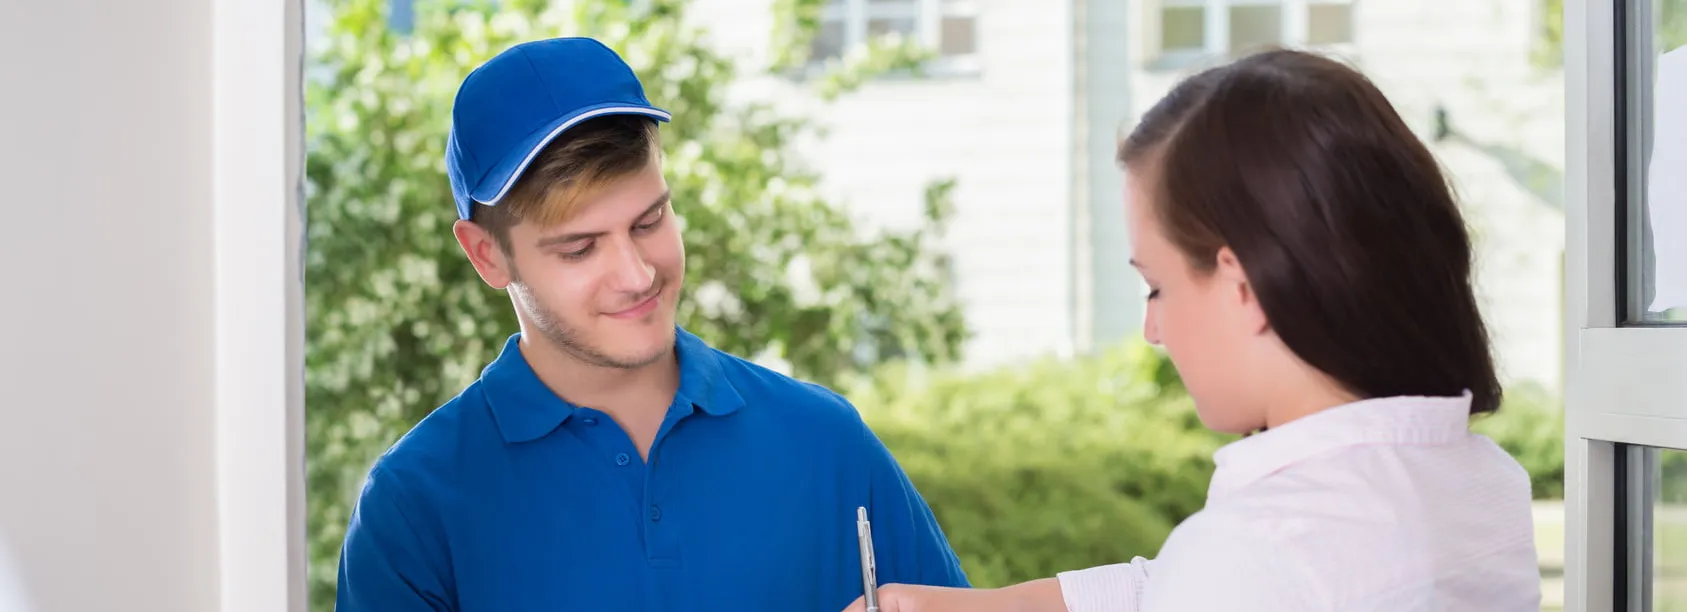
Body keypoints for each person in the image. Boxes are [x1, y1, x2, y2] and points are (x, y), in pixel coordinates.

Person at [842, 48, 1542, 612]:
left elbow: (1227, 578)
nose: (1152, 328)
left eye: (1157, 286)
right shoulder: (1481, 485)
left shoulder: (1254, 551)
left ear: (1241, 285)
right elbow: (1181, 588)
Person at [334, 36, 969, 611]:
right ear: (486, 255)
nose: (638, 275)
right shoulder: (414, 507)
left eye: (649, 222)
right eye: (580, 248)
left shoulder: (826, 442)